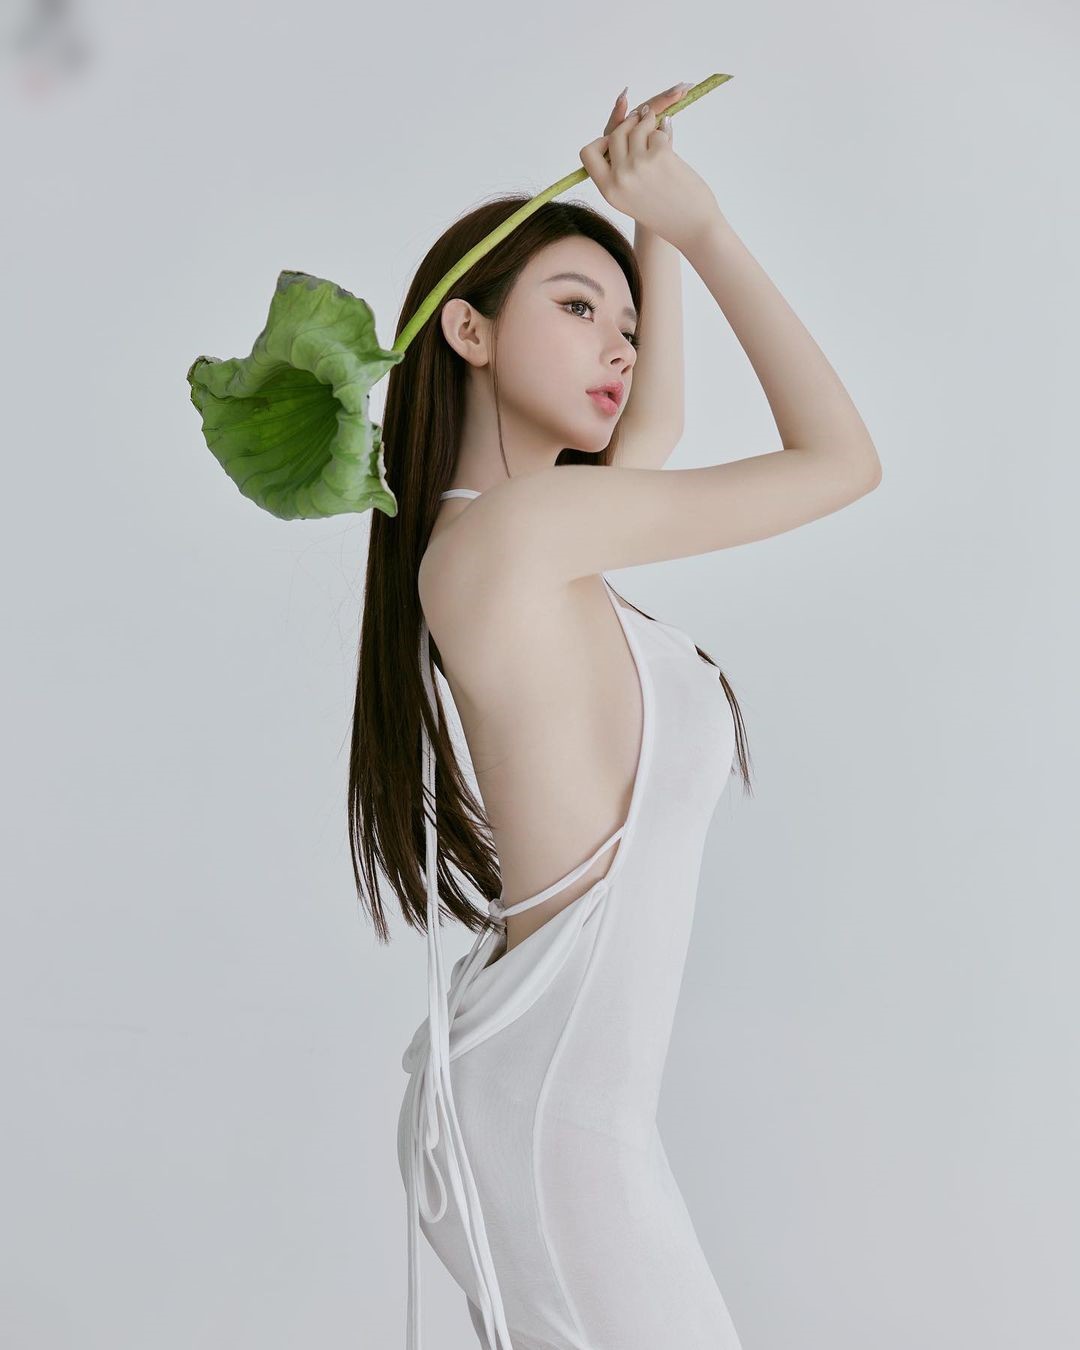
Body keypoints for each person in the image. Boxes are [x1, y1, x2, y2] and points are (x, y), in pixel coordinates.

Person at [349, 85, 882, 1350]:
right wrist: (700, 226)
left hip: (553, 1106)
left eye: (627, 326)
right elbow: (841, 460)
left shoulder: (519, 542)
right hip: (554, 1120)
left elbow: (660, 424)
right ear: (468, 331)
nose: (621, 348)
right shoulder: (522, 536)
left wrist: (651, 232)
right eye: (578, 309)